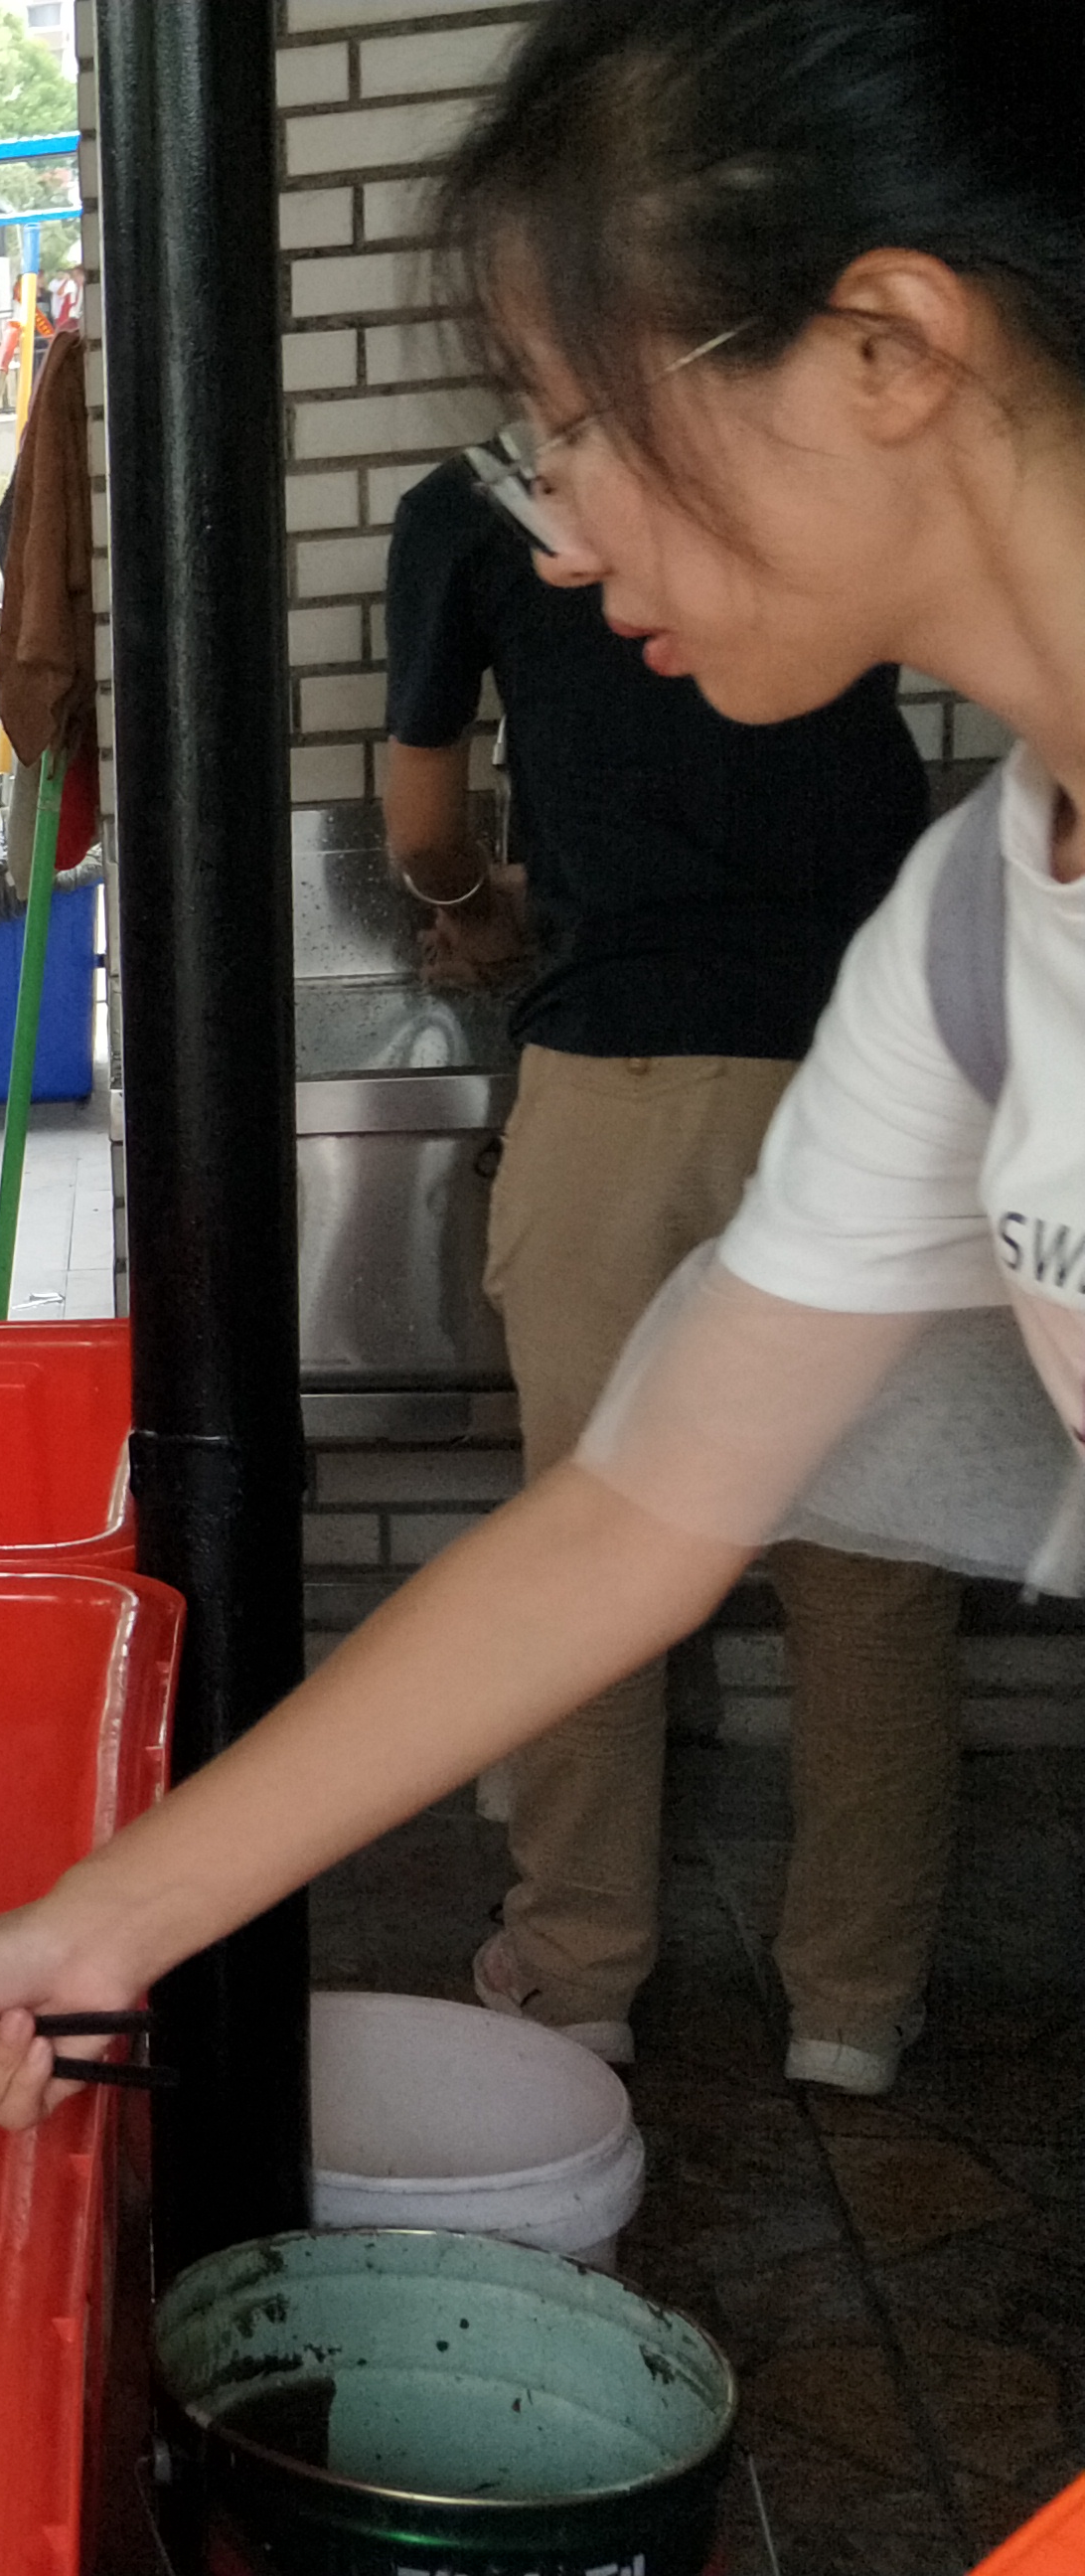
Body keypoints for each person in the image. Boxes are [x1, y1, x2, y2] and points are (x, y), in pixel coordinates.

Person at [0, 0, 1085, 2156]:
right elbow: (632, 1514)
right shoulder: (970, 934)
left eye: (575, 424)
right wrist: (101, 1923)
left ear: (887, 347)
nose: (566, 535)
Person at [382, 446, 962, 2092]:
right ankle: (851, 2006)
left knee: (594, 1548)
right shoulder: (811, 447)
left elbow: (423, 825)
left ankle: (577, 1979)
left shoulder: (478, 503)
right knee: (870, 1569)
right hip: (867, 1073)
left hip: (624, 1071)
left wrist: (481, 909)